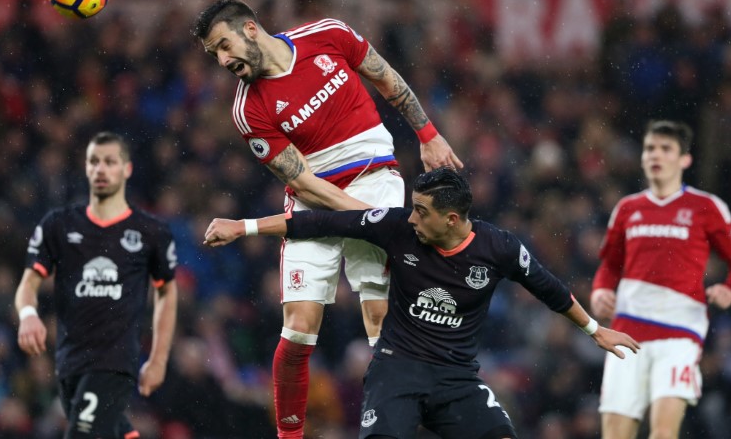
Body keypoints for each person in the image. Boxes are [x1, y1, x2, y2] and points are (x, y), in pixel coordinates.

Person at [192, 0, 463, 437]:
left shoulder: (327, 36)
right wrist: (373, 219)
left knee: (380, 319)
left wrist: (427, 134)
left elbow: (383, 75)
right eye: (214, 55)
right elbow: (306, 184)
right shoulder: (248, 110)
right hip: (317, 201)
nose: (223, 60)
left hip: (375, 178)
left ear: (251, 30)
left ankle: (395, 427)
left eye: (224, 45)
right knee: (299, 327)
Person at [203, 167, 640, 439]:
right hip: (397, 368)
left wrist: (593, 330)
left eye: (421, 211)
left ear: (452, 219)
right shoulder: (396, 228)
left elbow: (548, 288)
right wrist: (243, 227)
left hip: (457, 379)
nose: (410, 217)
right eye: (411, 208)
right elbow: (319, 220)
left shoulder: (498, 248)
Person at [590, 120, 731, 439]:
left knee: (663, 433)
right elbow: (610, 265)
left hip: (679, 334)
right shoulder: (627, 208)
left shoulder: (706, 207)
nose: (656, 155)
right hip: (627, 333)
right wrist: (599, 292)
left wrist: (729, 288)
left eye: (666, 149)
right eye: (650, 148)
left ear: (684, 159)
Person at [15, 131, 179, 438]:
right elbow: (28, 282)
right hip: (69, 363)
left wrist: (158, 359)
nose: (100, 169)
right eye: (93, 162)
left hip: (114, 362)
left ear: (126, 169)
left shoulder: (149, 231)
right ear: (85, 167)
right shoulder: (58, 225)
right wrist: (28, 315)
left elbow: (167, 292)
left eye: (109, 162)